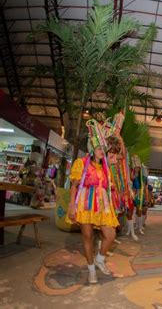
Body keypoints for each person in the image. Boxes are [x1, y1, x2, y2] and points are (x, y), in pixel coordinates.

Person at [66, 119, 119, 284]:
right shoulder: (80, 163)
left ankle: (100, 259)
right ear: (91, 149)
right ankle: (91, 271)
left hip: (102, 207)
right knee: (87, 237)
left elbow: (106, 187)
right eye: (99, 148)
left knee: (110, 234)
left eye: (103, 148)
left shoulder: (104, 168)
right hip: (84, 205)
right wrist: (72, 206)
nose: (102, 151)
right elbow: (74, 186)